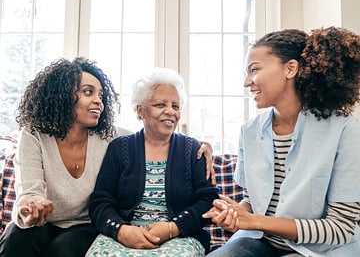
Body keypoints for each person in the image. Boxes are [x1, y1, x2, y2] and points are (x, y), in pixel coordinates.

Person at [0, 57, 214, 257]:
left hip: (82, 226)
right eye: (88, 92)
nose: (98, 102)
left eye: (100, 95)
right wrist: (30, 208)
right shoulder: (34, 134)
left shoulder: (108, 136)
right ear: (62, 95)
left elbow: (153, 136)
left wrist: (202, 146)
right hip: (41, 223)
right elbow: (29, 192)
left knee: (64, 249)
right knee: (16, 239)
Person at [203, 26, 360, 256]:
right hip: (260, 242)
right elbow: (252, 202)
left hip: (320, 250)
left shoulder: (344, 129)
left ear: (291, 68)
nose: (247, 82)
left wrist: (255, 221)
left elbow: (339, 228)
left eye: (254, 70)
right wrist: (236, 214)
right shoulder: (249, 131)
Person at [85, 67, 219, 257]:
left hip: (179, 236)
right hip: (126, 234)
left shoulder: (192, 149)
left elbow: (207, 200)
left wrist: (173, 227)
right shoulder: (120, 148)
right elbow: (101, 201)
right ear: (140, 111)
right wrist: (121, 230)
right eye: (160, 105)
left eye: (175, 106)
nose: (170, 112)